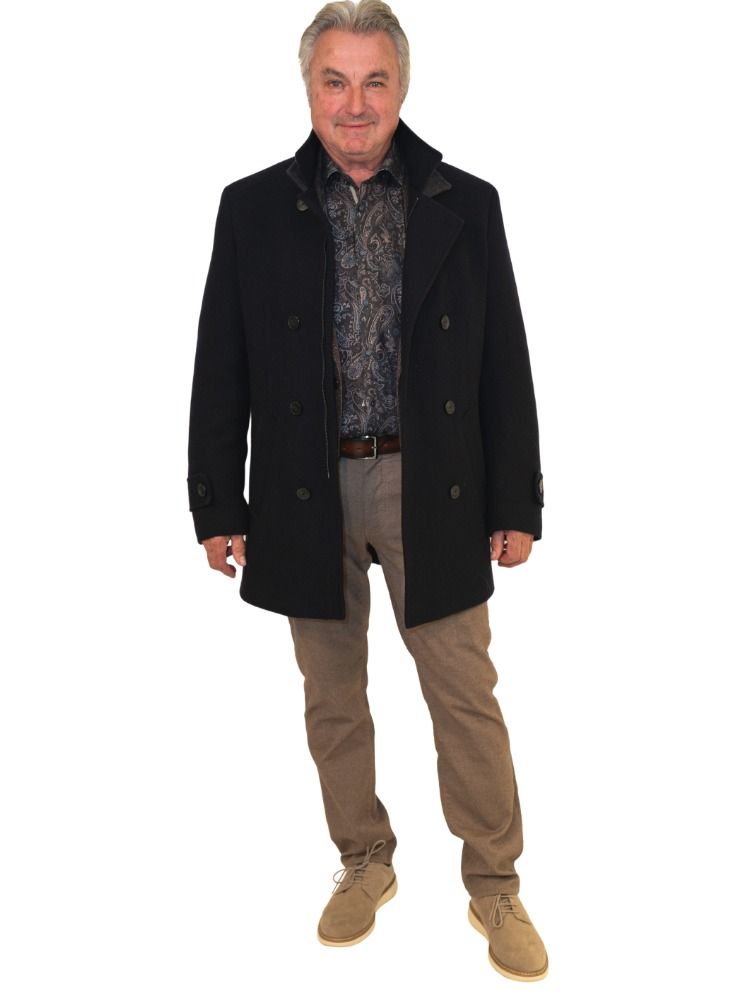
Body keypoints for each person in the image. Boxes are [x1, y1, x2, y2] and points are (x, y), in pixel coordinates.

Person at [187, 0, 547, 981]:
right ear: (309, 88)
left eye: (374, 81)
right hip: (302, 487)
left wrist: (516, 501)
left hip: (434, 482)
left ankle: (495, 882)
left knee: (464, 692)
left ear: (402, 86)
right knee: (332, 695)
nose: (355, 104)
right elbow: (222, 361)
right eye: (335, 82)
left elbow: (504, 359)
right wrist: (218, 504)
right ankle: (364, 858)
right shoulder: (251, 207)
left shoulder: (466, 203)